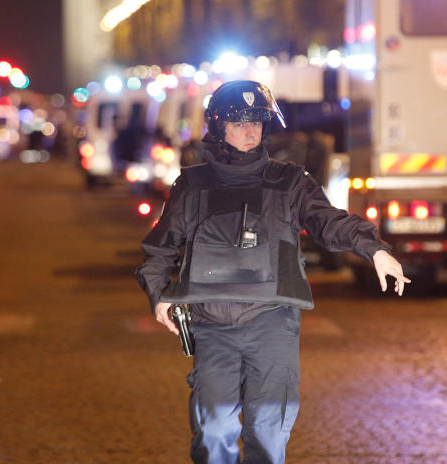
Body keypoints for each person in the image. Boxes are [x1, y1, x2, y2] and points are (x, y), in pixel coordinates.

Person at [135, 80, 409, 464]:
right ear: (219, 128)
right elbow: (160, 246)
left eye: (257, 123)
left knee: (267, 434)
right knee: (213, 433)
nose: (251, 132)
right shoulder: (193, 185)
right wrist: (160, 293)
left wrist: (374, 248)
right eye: (240, 122)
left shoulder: (290, 181)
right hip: (213, 326)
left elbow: (327, 222)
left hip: (272, 323)